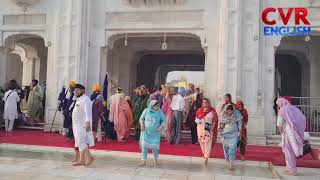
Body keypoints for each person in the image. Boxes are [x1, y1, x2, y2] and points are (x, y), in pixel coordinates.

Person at [276, 97, 306, 176]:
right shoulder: (294, 108)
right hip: (295, 133)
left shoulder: (282, 110)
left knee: (288, 152)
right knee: (291, 152)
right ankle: (292, 169)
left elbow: (279, 124)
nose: (278, 106)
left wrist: (282, 134)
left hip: (288, 133)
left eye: (278, 105)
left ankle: (292, 170)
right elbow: (303, 118)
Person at [72, 84, 94, 166]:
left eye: (77, 90)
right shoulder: (78, 99)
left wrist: (88, 122)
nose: (76, 92)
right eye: (75, 90)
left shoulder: (86, 99)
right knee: (79, 141)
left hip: (82, 124)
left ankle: (88, 158)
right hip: (76, 124)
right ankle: (82, 159)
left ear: (83, 90)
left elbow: (87, 111)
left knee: (81, 141)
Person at [139, 100, 166, 166]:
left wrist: (160, 127)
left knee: (155, 147)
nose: (157, 107)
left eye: (158, 106)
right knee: (144, 147)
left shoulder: (159, 112)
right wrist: (142, 124)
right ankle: (143, 161)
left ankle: (156, 161)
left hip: (155, 133)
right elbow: (141, 118)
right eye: (156, 106)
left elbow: (164, 120)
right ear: (152, 106)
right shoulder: (146, 110)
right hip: (146, 132)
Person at [195, 98, 218, 164]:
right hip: (200, 127)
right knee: (201, 141)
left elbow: (215, 120)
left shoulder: (212, 111)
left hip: (208, 127)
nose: (204, 104)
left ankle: (207, 156)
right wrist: (197, 121)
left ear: (209, 103)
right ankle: (205, 153)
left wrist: (213, 127)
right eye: (203, 102)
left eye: (206, 102)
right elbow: (196, 117)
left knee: (207, 141)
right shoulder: (199, 110)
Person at [219, 104, 242, 170]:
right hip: (225, 134)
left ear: (233, 110)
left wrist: (240, 131)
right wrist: (220, 131)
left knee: (233, 147)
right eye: (228, 110)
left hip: (234, 133)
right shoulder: (223, 115)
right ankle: (228, 158)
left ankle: (231, 162)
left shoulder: (236, 113)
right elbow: (220, 124)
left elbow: (240, 123)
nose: (229, 112)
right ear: (226, 110)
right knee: (226, 148)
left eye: (231, 110)